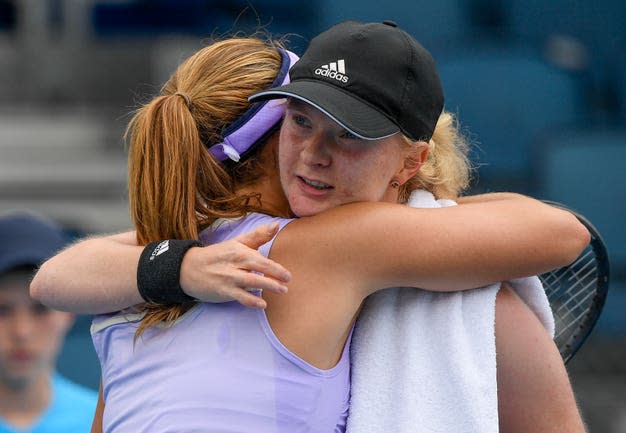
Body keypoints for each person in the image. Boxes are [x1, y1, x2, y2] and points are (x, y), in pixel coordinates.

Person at [31, 26, 589, 433]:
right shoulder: (342, 243)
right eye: (300, 120)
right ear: (270, 137)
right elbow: (565, 232)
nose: (315, 154)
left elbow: (53, 277)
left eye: (350, 133)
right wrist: (429, 204)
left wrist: (174, 266)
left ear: (411, 158)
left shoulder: (135, 275)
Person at [0, 212, 97, 433]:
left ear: (70, 313)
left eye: (40, 309)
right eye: (3, 310)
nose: (21, 331)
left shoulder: (106, 423)